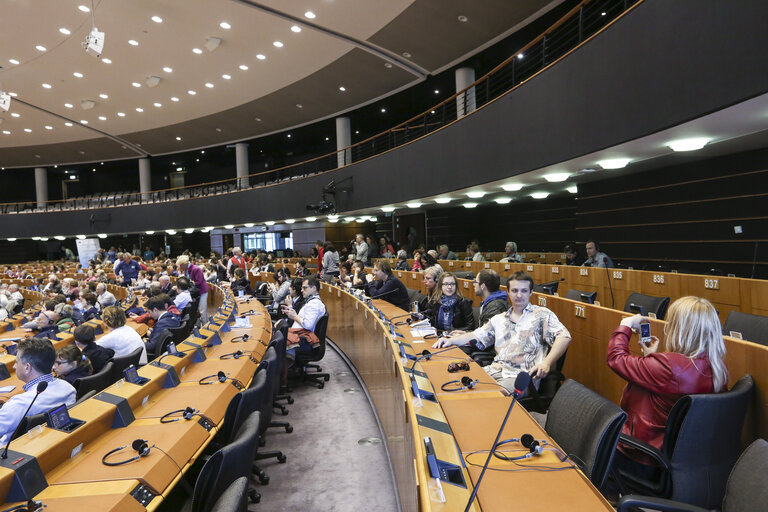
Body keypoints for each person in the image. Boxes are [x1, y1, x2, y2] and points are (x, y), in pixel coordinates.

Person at [606, 296, 727, 469]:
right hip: (680, 457)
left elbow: (615, 358)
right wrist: (650, 359)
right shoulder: (717, 368)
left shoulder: (668, 367)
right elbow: (673, 383)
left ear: (678, 329)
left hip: (639, 456)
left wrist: (625, 324)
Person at [432, 271, 571, 394]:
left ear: (531, 292)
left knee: (486, 395)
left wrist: (546, 363)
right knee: (457, 384)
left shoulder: (542, 315)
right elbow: (476, 335)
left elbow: (564, 336)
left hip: (520, 377)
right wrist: (450, 340)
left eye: (523, 291)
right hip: (495, 370)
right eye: (515, 290)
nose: (519, 295)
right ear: (508, 292)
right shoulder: (499, 319)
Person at [0, 338, 76, 443]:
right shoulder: (68, 388)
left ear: (27, 368)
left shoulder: (19, 404)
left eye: (16, 362)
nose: (14, 366)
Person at [281, 277, 327, 358]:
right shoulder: (311, 302)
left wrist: (295, 316)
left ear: (314, 288)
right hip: (300, 336)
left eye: (305, 288)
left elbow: (308, 325)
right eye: (302, 288)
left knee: (278, 340)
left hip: (304, 341)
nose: (302, 290)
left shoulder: (314, 304)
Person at [177, 254, 209, 320]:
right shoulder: (186, 270)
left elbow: (199, 282)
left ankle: (204, 324)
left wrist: (192, 282)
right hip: (195, 291)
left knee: (202, 310)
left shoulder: (196, 269)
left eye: (180, 266)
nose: (180, 268)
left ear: (184, 264)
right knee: (196, 309)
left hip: (202, 290)